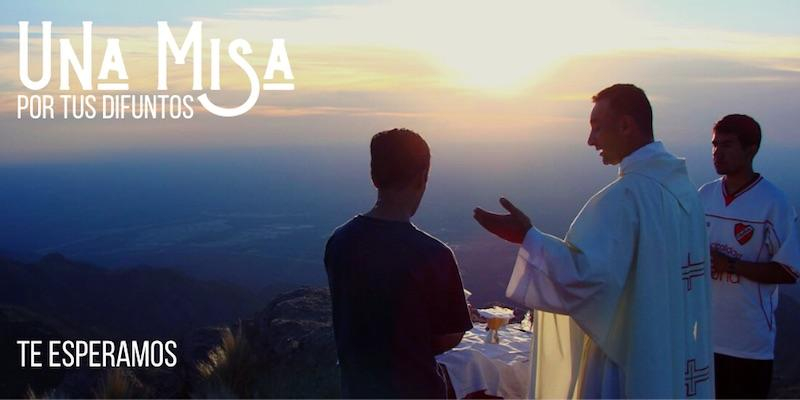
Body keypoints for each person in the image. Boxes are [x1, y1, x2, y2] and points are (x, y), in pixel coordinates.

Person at [473, 84, 714, 398]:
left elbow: (585, 278)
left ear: (625, 125)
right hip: (677, 350)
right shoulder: (685, 191)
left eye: (597, 128)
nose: (590, 140)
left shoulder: (626, 196)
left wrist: (528, 237)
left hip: (632, 360)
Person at [324, 128, 473, 398]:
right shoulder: (433, 254)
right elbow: (447, 337)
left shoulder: (339, 241)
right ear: (422, 178)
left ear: (374, 176)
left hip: (356, 390)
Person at [698, 114, 800, 399]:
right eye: (715, 145)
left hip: (749, 345)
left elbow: (789, 270)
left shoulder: (773, 202)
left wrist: (731, 265)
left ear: (751, 149)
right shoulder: (704, 196)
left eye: (728, 145)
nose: (718, 152)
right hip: (703, 338)